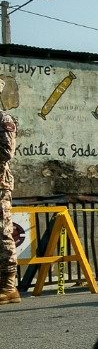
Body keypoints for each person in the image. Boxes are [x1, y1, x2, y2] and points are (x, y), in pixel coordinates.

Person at [0, 97, 19, 305]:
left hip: (0, 186)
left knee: (3, 233)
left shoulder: (4, 119)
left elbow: (6, 153)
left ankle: (9, 285)